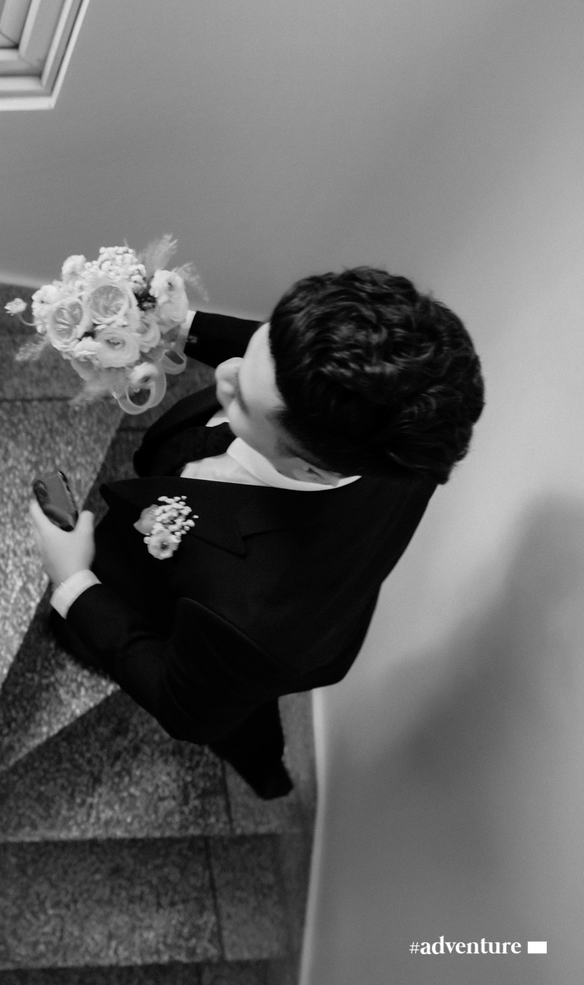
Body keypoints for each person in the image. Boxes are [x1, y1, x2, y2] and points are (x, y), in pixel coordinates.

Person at [27, 267, 484, 798]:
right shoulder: (389, 422)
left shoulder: (252, 615)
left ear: (311, 468)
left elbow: (183, 709)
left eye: (244, 401)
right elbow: (288, 362)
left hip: (250, 629)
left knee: (236, 714)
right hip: (247, 603)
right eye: (261, 345)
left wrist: (73, 582)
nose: (227, 371)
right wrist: (182, 325)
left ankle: (264, 770)